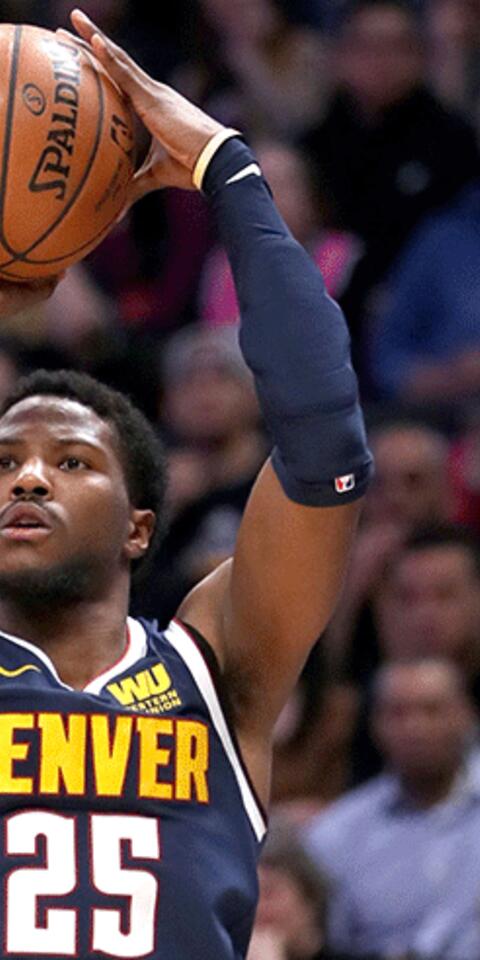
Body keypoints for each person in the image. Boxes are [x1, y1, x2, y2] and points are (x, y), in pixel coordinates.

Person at [0, 9, 372, 960]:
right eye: (3, 464)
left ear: (138, 528)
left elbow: (324, 438)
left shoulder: (218, 672)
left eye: (70, 462)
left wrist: (225, 168)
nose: (29, 477)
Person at [305, 658, 480, 960]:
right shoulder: (335, 834)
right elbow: (324, 944)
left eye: (432, 710)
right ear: (375, 726)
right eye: (398, 713)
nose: (415, 727)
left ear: (467, 716)